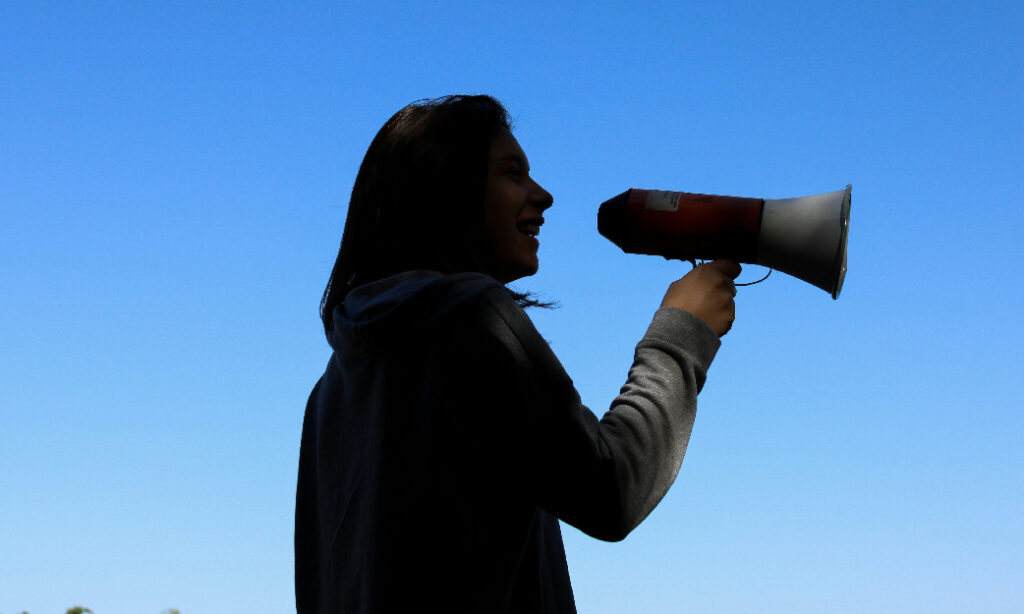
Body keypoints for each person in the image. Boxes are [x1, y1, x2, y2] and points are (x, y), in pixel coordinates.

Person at [295, 95, 740, 613]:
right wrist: (682, 332)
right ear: (446, 188)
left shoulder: (329, 392)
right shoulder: (471, 314)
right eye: (513, 173)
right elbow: (612, 491)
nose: (543, 196)